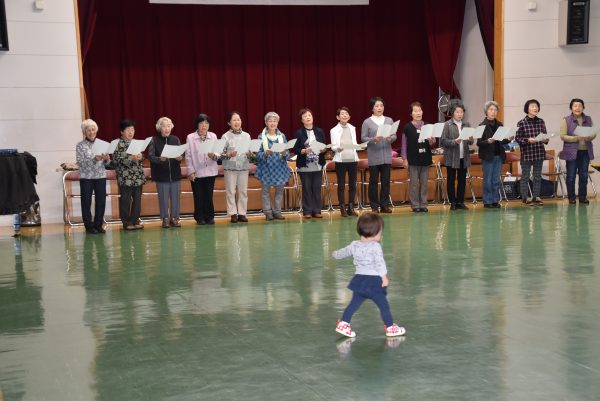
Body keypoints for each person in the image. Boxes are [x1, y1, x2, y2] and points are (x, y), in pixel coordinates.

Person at [332, 212, 406, 338]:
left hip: (359, 281)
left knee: (353, 304)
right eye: (380, 232)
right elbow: (379, 263)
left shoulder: (354, 245)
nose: (381, 234)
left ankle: (344, 323)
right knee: (383, 306)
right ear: (374, 232)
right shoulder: (375, 246)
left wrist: (335, 254)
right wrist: (384, 277)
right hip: (374, 283)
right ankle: (390, 328)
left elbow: (343, 252)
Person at [361, 97, 396, 213]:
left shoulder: (389, 120)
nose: (379, 108)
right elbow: (363, 138)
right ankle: (374, 206)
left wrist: (391, 138)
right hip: (374, 156)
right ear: (372, 108)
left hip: (386, 156)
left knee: (385, 182)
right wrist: (373, 139)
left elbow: (394, 135)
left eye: (381, 105)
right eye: (377, 106)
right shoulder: (367, 122)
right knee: (373, 182)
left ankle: (384, 205)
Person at [76, 119, 110, 234]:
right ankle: (89, 226)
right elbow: (80, 162)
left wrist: (106, 159)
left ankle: (98, 225)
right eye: (88, 130)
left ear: (96, 130)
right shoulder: (80, 145)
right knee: (86, 202)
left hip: (100, 176)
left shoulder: (103, 144)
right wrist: (94, 159)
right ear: (84, 132)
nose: (91, 132)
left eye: (93, 129)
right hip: (86, 177)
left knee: (101, 201)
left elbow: (108, 163)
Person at [148, 116, 183, 227]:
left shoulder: (175, 139)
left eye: (169, 126)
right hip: (161, 175)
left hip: (175, 173)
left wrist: (179, 158)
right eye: (164, 126)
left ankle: (175, 218)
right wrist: (159, 159)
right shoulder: (154, 140)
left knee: (176, 198)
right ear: (159, 128)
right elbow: (150, 156)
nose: (167, 128)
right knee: (163, 198)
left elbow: (181, 155)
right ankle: (165, 219)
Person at [255, 112, 291, 221]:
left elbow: (287, 153)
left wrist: (284, 153)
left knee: (279, 192)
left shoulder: (282, 136)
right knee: (265, 192)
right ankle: (268, 212)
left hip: (280, 168)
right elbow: (257, 154)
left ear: (277, 123)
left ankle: (277, 212)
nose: (272, 123)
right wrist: (265, 153)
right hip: (266, 168)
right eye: (270, 121)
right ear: (266, 122)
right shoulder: (260, 136)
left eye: (275, 121)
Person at [477, 101, 513, 209]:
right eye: (491, 110)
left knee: (496, 180)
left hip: (498, 155)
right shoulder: (481, 125)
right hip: (488, 156)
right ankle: (487, 201)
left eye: (495, 110)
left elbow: (501, 141)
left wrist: (509, 139)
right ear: (486, 111)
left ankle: (495, 200)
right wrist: (487, 141)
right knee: (488, 180)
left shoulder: (500, 124)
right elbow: (479, 143)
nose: (493, 112)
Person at [185, 113, 219, 225]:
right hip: (197, 172)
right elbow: (188, 156)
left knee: (209, 195)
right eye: (201, 123)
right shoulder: (190, 137)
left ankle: (209, 216)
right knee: (198, 196)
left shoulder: (213, 136)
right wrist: (190, 171)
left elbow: (217, 153)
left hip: (210, 170)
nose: (204, 126)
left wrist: (214, 155)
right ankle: (199, 217)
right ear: (197, 125)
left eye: (206, 123)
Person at [560, 98, 595, 204]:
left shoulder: (588, 119)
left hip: (585, 152)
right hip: (571, 152)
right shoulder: (566, 120)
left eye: (580, 106)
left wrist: (589, 137)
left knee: (584, 175)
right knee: (571, 176)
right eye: (575, 106)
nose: (577, 108)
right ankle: (571, 198)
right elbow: (563, 136)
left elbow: (593, 133)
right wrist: (576, 138)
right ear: (571, 108)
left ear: (583, 107)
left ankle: (582, 197)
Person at [401, 101, 435, 213]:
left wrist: (431, 140)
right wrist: (404, 159)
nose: (418, 113)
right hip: (413, 160)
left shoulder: (428, 126)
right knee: (414, 184)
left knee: (424, 183)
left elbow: (432, 143)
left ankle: (423, 204)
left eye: (419, 110)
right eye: (415, 111)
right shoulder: (407, 127)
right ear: (411, 113)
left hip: (425, 158)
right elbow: (404, 144)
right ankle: (415, 205)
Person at [112, 120, 146, 230]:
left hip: (137, 176)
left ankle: (134, 220)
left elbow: (142, 158)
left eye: (132, 130)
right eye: (128, 130)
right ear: (122, 132)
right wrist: (131, 158)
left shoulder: (136, 142)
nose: (131, 132)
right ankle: (126, 222)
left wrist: (140, 157)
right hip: (125, 176)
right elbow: (115, 160)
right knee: (125, 200)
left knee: (137, 200)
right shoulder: (116, 143)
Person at [293, 108, 327, 219]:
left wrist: (323, 149)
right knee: (307, 188)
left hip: (318, 164)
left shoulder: (320, 131)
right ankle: (307, 211)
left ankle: (317, 210)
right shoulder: (299, 133)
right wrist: (303, 151)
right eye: (305, 116)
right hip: (305, 165)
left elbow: (324, 147)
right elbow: (296, 149)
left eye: (309, 115)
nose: (308, 117)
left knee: (317, 188)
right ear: (302, 120)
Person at [440, 102, 473, 210]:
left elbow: (471, 142)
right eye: (457, 112)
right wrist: (454, 142)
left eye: (461, 112)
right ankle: (453, 202)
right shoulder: (447, 124)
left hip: (464, 157)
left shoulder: (466, 124)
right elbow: (442, 141)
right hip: (451, 157)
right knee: (451, 180)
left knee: (462, 180)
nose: (459, 114)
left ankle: (460, 201)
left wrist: (471, 139)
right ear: (452, 113)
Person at [515, 99, 549, 206]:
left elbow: (545, 136)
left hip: (539, 152)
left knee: (537, 176)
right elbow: (518, 138)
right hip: (527, 153)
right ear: (527, 108)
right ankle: (525, 198)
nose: (535, 108)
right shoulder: (521, 122)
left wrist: (545, 139)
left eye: (536, 106)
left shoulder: (541, 121)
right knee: (525, 176)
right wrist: (527, 140)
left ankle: (536, 197)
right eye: (532, 106)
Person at [221, 111, 252, 223]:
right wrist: (229, 154)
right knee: (231, 191)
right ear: (229, 123)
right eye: (234, 120)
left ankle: (242, 213)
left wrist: (250, 153)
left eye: (238, 119)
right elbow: (221, 155)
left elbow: (251, 154)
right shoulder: (225, 136)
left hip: (243, 167)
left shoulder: (247, 136)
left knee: (243, 191)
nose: (237, 122)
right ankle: (233, 213)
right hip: (230, 168)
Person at [330, 107, 359, 217]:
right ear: (338, 117)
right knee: (341, 185)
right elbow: (333, 146)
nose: (344, 115)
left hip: (353, 159)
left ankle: (351, 207)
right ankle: (342, 207)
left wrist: (359, 146)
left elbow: (354, 142)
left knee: (353, 184)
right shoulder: (334, 130)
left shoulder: (352, 128)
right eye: (342, 114)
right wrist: (337, 148)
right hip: (341, 160)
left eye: (346, 113)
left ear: (349, 116)